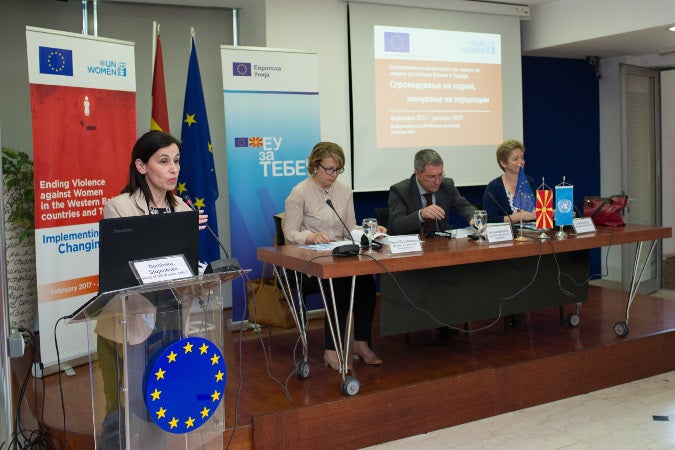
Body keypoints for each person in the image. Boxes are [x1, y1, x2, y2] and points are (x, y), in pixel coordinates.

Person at [96, 130, 207, 449]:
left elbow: (185, 274)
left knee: (161, 404)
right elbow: (122, 272)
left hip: (171, 321)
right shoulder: (119, 208)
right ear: (141, 166)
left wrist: (199, 270)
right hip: (129, 323)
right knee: (123, 409)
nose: (173, 169)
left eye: (176, 161)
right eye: (163, 161)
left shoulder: (185, 210)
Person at [283, 141, 385, 370]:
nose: (333, 174)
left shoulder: (344, 190)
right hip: (309, 262)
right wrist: (310, 236)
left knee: (367, 283)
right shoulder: (299, 193)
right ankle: (331, 350)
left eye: (337, 169)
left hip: (339, 255)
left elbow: (348, 228)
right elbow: (289, 233)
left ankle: (361, 343)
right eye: (329, 169)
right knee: (338, 285)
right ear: (315, 166)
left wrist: (370, 231)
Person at [388, 148, 475, 235]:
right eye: (431, 177)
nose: (437, 181)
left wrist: (474, 217)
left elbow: (463, 206)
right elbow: (396, 225)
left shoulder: (447, 185)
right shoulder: (400, 191)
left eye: (440, 175)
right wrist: (421, 214)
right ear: (417, 173)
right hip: (413, 244)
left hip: (441, 242)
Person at [482, 139, 537, 224]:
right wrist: (518, 216)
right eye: (515, 159)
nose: (521, 162)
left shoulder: (530, 182)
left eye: (522, 158)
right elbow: (490, 219)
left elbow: (537, 212)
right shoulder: (494, 187)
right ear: (503, 163)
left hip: (532, 235)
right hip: (506, 235)